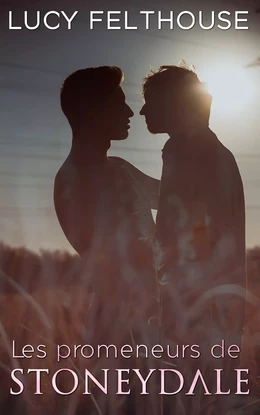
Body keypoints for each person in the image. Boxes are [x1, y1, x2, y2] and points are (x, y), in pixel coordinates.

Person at [140, 63, 247, 414]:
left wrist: (172, 294)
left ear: (173, 102)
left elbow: (188, 227)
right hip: (217, 305)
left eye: (149, 100)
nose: (142, 110)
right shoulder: (208, 147)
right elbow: (187, 204)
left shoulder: (182, 148)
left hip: (195, 305)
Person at [54, 66, 159, 414]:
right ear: (92, 111)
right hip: (119, 329)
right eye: (119, 104)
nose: (130, 113)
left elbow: (176, 195)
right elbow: (116, 261)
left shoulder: (118, 168)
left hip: (144, 323)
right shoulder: (74, 180)